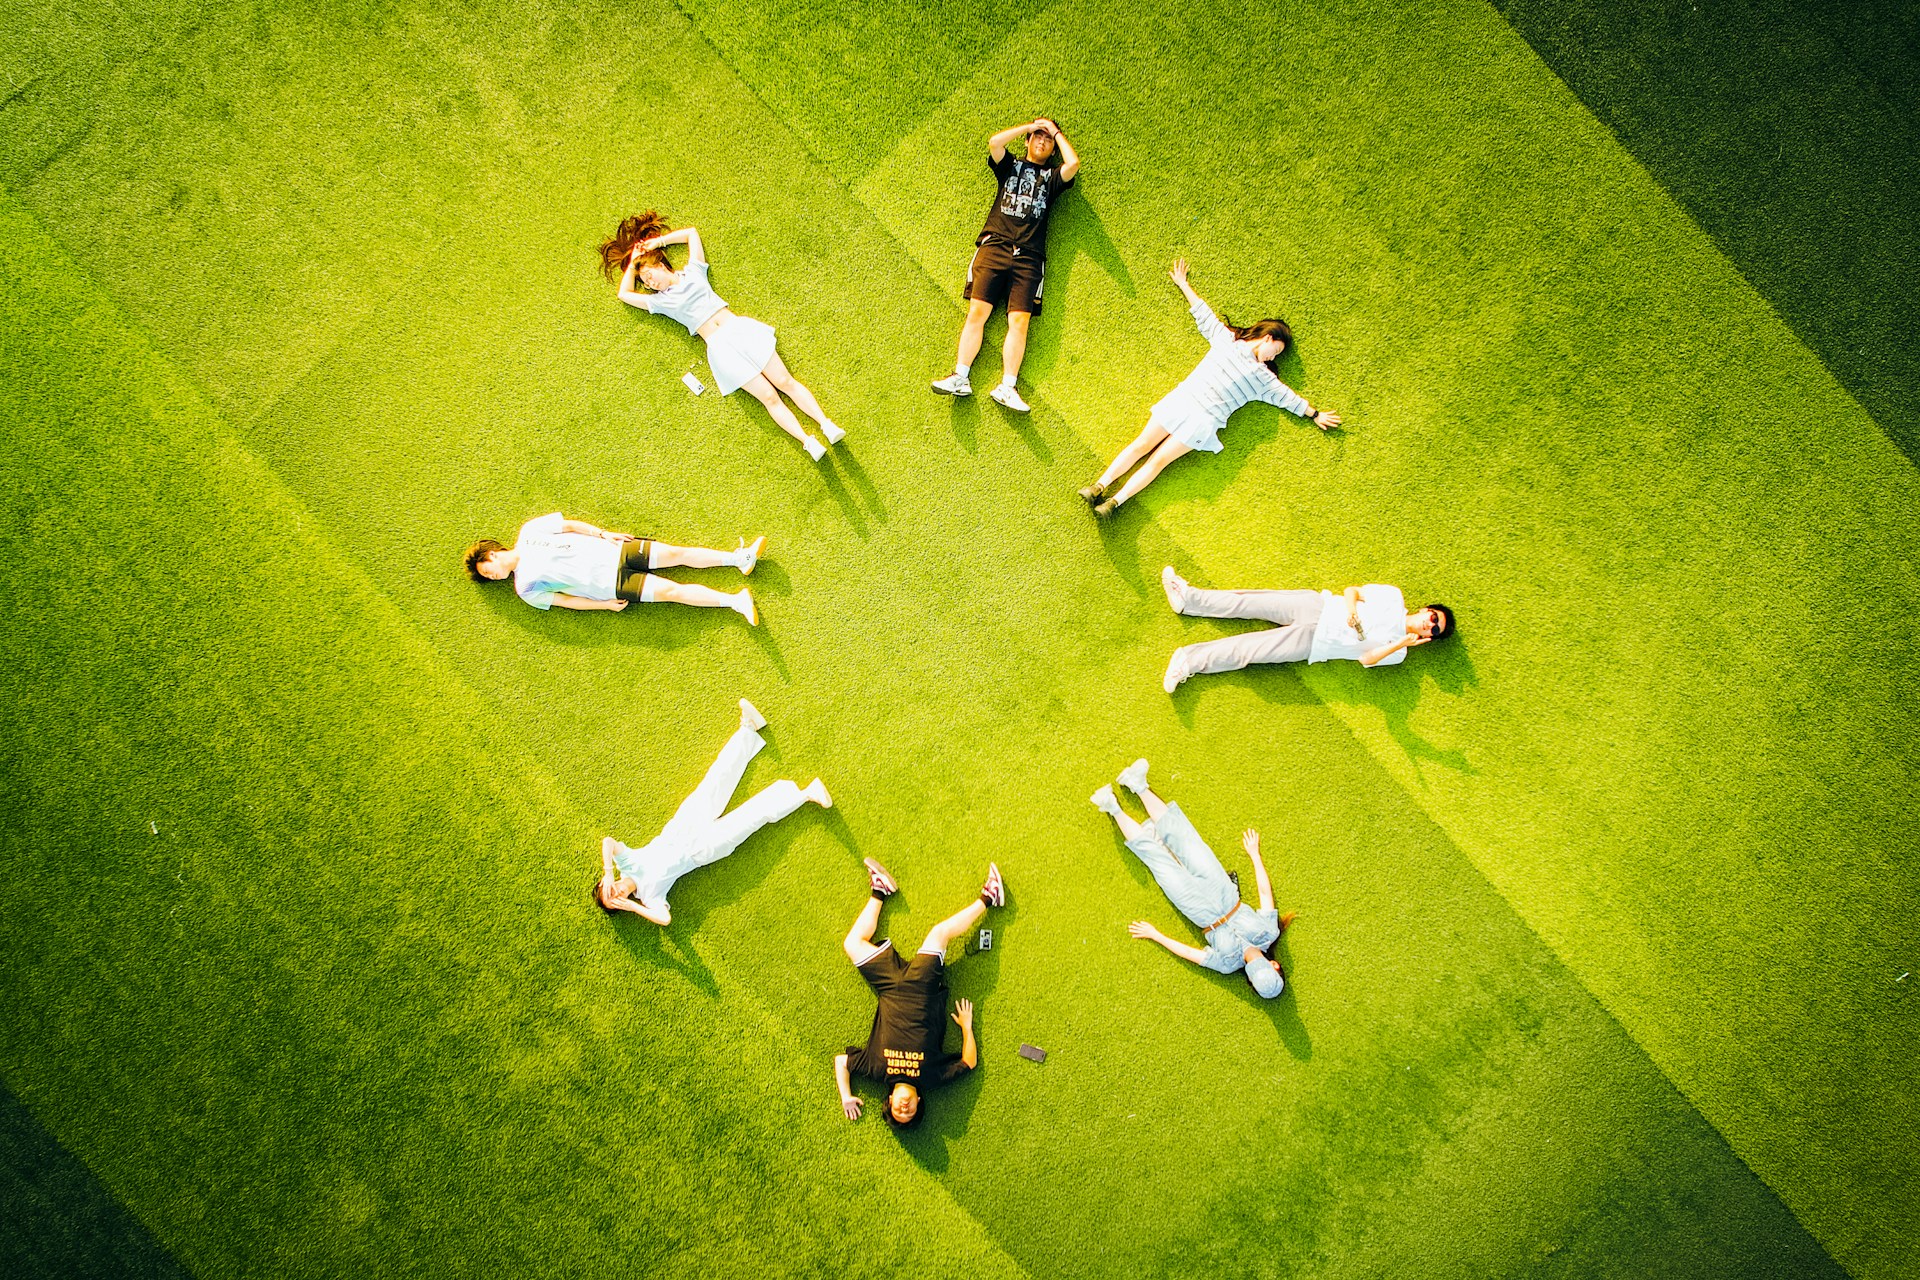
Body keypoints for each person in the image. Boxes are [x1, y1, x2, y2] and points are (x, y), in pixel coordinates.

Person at [1078, 259, 1340, 517]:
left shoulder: (1263, 378)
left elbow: (1286, 397)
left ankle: (1114, 503)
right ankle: (1098, 486)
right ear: (1268, 337)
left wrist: (1315, 414)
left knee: (1158, 461)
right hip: (1183, 400)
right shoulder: (1227, 341)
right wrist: (1183, 284)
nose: (1274, 358)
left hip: (1204, 421)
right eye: (1276, 351)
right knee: (1141, 444)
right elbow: (1205, 316)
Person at [602, 211, 845, 461]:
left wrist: (658, 242)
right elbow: (625, 294)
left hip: (739, 330)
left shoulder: (693, 273)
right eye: (645, 282)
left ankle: (826, 424)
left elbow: (691, 234)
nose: (650, 283)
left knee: (785, 382)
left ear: (661, 265)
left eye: (649, 275)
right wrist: (632, 263)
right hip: (719, 349)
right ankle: (808, 442)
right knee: (770, 397)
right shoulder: (660, 302)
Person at [596, 699, 832, 924]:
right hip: (701, 851)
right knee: (752, 817)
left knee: (718, 778)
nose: (616, 893)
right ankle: (806, 794)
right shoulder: (649, 897)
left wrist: (608, 873)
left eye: (610, 891)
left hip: (682, 827)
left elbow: (608, 842)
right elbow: (664, 919)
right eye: (615, 900)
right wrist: (634, 907)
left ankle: (748, 727)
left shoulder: (626, 864)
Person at [1091, 759, 1291, 998]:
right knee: (1185, 839)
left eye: (1252, 975)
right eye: (1263, 970)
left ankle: (1112, 807)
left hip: (1199, 911)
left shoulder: (1227, 966)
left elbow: (1189, 953)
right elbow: (1265, 894)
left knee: (1158, 862)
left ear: (1249, 979)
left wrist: (1156, 935)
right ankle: (1138, 785)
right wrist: (1254, 855)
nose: (1253, 968)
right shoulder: (1269, 933)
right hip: (1224, 892)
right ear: (1275, 965)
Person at [833, 858, 1007, 1129]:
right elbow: (969, 1062)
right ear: (919, 1102)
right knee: (940, 933)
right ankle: (989, 898)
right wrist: (967, 1027)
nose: (904, 1108)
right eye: (910, 1112)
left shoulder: (876, 1069)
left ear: (889, 1100)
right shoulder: (931, 1077)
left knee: (852, 943)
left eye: (898, 1111)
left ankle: (880, 890)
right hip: (922, 988)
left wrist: (846, 1096)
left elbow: (841, 1062)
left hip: (888, 986)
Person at [930, 117, 1080, 412]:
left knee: (1020, 322)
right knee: (977, 312)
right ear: (1027, 141)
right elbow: (994, 143)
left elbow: (1073, 164)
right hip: (994, 246)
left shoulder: (1051, 177)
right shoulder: (1011, 165)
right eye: (1037, 136)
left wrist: (1056, 132)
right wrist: (1029, 126)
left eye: (1047, 139)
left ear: (1052, 148)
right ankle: (961, 377)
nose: (1042, 141)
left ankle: (1008, 387)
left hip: (1030, 258)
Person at [1159, 568, 1455, 692]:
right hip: (1317, 607)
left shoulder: (1399, 653)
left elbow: (1366, 660)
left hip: (1315, 645)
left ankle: (1188, 661)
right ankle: (1188, 599)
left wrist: (1400, 642)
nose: (1430, 624)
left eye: (1435, 630)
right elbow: (1352, 590)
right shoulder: (1393, 597)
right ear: (1426, 609)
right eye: (1433, 617)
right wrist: (1351, 611)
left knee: (1249, 651)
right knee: (1248, 602)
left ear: (1430, 638)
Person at [464, 511, 762, 626]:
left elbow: (568, 525)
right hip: (611, 585)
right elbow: (565, 601)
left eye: (487, 569)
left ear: (492, 554)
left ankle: (740, 559)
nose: (493, 576)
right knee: (674, 592)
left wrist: (602, 533)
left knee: (677, 553)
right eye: (489, 578)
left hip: (615, 549)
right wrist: (604, 605)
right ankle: (736, 602)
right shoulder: (525, 588)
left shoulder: (529, 532)